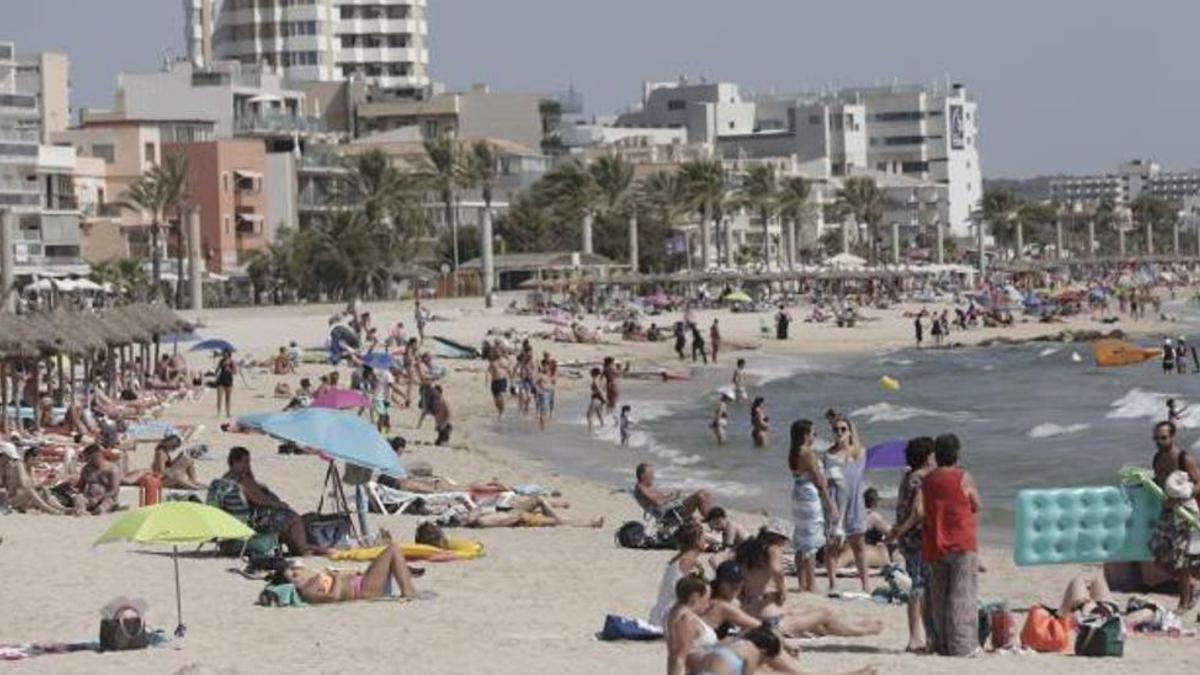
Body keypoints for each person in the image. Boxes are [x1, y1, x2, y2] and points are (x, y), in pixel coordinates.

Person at [735, 523, 884, 639]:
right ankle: (862, 630)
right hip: (771, 624)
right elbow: (777, 570)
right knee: (824, 614)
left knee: (814, 620)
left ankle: (858, 626)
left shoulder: (746, 554)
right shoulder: (773, 548)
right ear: (780, 538)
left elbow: (717, 560)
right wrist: (782, 590)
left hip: (751, 617)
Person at [921, 433, 981, 657]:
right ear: (956, 453)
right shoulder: (964, 477)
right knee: (962, 595)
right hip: (961, 542)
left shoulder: (927, 480)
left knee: (939, 597)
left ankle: (941, 643)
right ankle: (962, 645)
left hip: (935, 542)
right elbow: (976, 503)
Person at [220, 447, 326, 557]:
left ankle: (298, 546)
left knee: (288, 518)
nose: (248, 465)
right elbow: (260, 500)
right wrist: (280, 505)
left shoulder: (226, 478)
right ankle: (303, 549)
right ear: (235, 462)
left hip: (238, 521)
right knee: (293, 518)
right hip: (252, 521)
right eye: (245, 462)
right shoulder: (242, 480)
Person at [886, 436, 936, 653]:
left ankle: (923, 636)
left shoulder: (909, 476)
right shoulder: (918, 480)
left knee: (921, 586)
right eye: (933, 455)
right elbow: (918, 512)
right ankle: (916, 638)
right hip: (916, 539)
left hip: (911, 539)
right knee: (919, 587)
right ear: (927, 457)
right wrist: (901, 531)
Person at [1148, 420, 1200, 612]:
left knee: (1182, 561)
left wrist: (1181, 500)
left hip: (1184, 511)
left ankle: (1183, 602)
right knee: (1157, 554)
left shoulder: (1183, 458)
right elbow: (1159, 481)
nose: (1159, 441)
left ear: (1172, 436)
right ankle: (1193, 585)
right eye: (1156, 438)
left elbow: (1198, 483)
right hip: (1166, 512)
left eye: (1163, 438)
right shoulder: (1157, 458)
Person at [272, 541, 422, 603]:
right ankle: (409, 591)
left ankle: (408, 586)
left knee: (389, 554)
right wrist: (336, 578)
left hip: (362, 582)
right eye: (292, 576)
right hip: (362, 589)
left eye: (293, 572)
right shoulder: (307, 591)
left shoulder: (310, 581)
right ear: (291, 586)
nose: (296, 574)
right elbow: (333, 597)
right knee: (392, 549)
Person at [788, 420, 837, 593]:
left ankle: (802, 583)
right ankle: (811, 583)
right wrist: (831, 504)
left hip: (798, 493)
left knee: (801, 539)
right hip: (809, 496)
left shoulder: (794, 452)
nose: (815, 436)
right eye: (813, 433)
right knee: (811, 541)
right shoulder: (807, 452)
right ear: (805, 435)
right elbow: (819, 481)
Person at [823, 417, 869, 592]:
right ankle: (833, 583)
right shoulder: (828, 455)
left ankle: (866, 585)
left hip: (855, 503)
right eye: (836, 430)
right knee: (833, 545)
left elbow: (857, 448)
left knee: (859, 545)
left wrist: (852, 433)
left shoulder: (859, 452)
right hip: (836, 504)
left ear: (850, 431)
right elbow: (826, 482)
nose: (839, 433)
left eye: (843, 429)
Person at [649, 523, 709, 628]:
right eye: (703, 537)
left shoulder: (682, 558)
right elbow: (686, 593)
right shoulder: (687, 561)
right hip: (670, 613)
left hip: (661, 610)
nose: (706, 540)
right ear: (696, 541)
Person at [665, 575, 717, 675]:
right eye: (707, 598)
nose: (708, 603)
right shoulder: (686, 619)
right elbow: (679, 657)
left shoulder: (674, 613)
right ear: (696, 597)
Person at [0, 443, 73, 515]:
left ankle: (62, 508)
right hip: (11, 500)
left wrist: (42, 487)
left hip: (18, 498)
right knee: (31, 491)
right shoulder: (19, 465)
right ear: (31, 458)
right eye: (38, 459)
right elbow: (26, 485)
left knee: (43, 491)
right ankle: (49, 509)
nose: (40, 461)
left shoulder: (30, 468)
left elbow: (32, 485)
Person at [634, 462, 712, 522]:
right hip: (670, 514)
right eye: (651, 474)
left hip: (672, 509)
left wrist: (672, 495)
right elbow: (658, 502)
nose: (653, 477)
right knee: (701, 495)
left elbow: (659, 498)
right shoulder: (641, 488)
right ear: (642, 476)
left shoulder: (647, 487)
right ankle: (711, 521)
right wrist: (672, 496)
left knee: (705, 493)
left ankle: (711, 520)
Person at [78, 443, 122, 514]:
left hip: (106, 498)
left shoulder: (112, 468)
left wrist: (98, 498)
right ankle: (84, 510)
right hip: (90, 498)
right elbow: (80, 487)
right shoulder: (86, 469)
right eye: (86, 458)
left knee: (102, 508)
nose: (87, 460)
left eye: (89, 458)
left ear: (97, 456)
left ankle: (104, 508)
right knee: (78, 500)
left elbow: (114, 490)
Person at [485, 353, 510, 421]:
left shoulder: (504, 361)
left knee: (501, 396)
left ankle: (502, 411)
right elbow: (488, 371)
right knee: (496, 400)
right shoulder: (493, 363)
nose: (497, 354)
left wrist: (511, 379)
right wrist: (486, 380)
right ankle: (500, 410)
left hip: (502, 380)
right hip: (494, 381)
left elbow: (508, 369)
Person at [214, 349, 236, 418]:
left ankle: (228, 413)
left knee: (228, 398)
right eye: (224, 353)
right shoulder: (221, 361)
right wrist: (217, 368)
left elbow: (235, 372)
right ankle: (218, 413)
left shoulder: (232, 361)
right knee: (219, 397)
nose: (224, 355)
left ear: (229, 354)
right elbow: (216, 371)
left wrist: (230, 370)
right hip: (221, 380)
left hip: (229, 381)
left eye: (226, 353)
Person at [586, 367, 606, 433]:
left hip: (596, 398)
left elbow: (599, 390)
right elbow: (603, 389)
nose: (590, 374)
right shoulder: (602, 380)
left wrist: (603, 399)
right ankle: (604, 429)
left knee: (589, 415)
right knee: (599, 415)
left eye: (591, 373)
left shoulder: (595, 380)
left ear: (594, 373)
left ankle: (589, 430)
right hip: (600, 398)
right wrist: (604, 399)